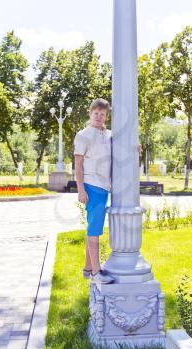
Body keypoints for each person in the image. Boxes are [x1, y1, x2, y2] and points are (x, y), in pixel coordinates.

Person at [73, 98, 142, 284]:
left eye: (102, 114)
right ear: (90, 113)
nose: (98, 117)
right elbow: (78, 164)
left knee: (93, 227)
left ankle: (88, 268)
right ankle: (96, 273)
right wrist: (80, 189)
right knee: (94, 229)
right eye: (96, 113)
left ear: (106, 116)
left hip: (104, 187)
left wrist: (135, 148)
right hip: (91, 186)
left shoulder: (109, 134)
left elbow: (123, 147)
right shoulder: (83, 135)